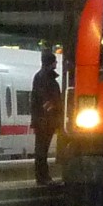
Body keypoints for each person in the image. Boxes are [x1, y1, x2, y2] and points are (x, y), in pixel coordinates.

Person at [30, 49, 63, 185]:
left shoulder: (43, 77)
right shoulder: (44, 78)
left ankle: (43, 176)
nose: (56, 63)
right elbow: (45, 101)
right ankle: (42, 177)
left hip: (44, 120)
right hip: (44, 121)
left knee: (42, 149)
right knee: (41, 149)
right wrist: (54, 113)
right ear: (50, 63)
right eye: (55, 61)